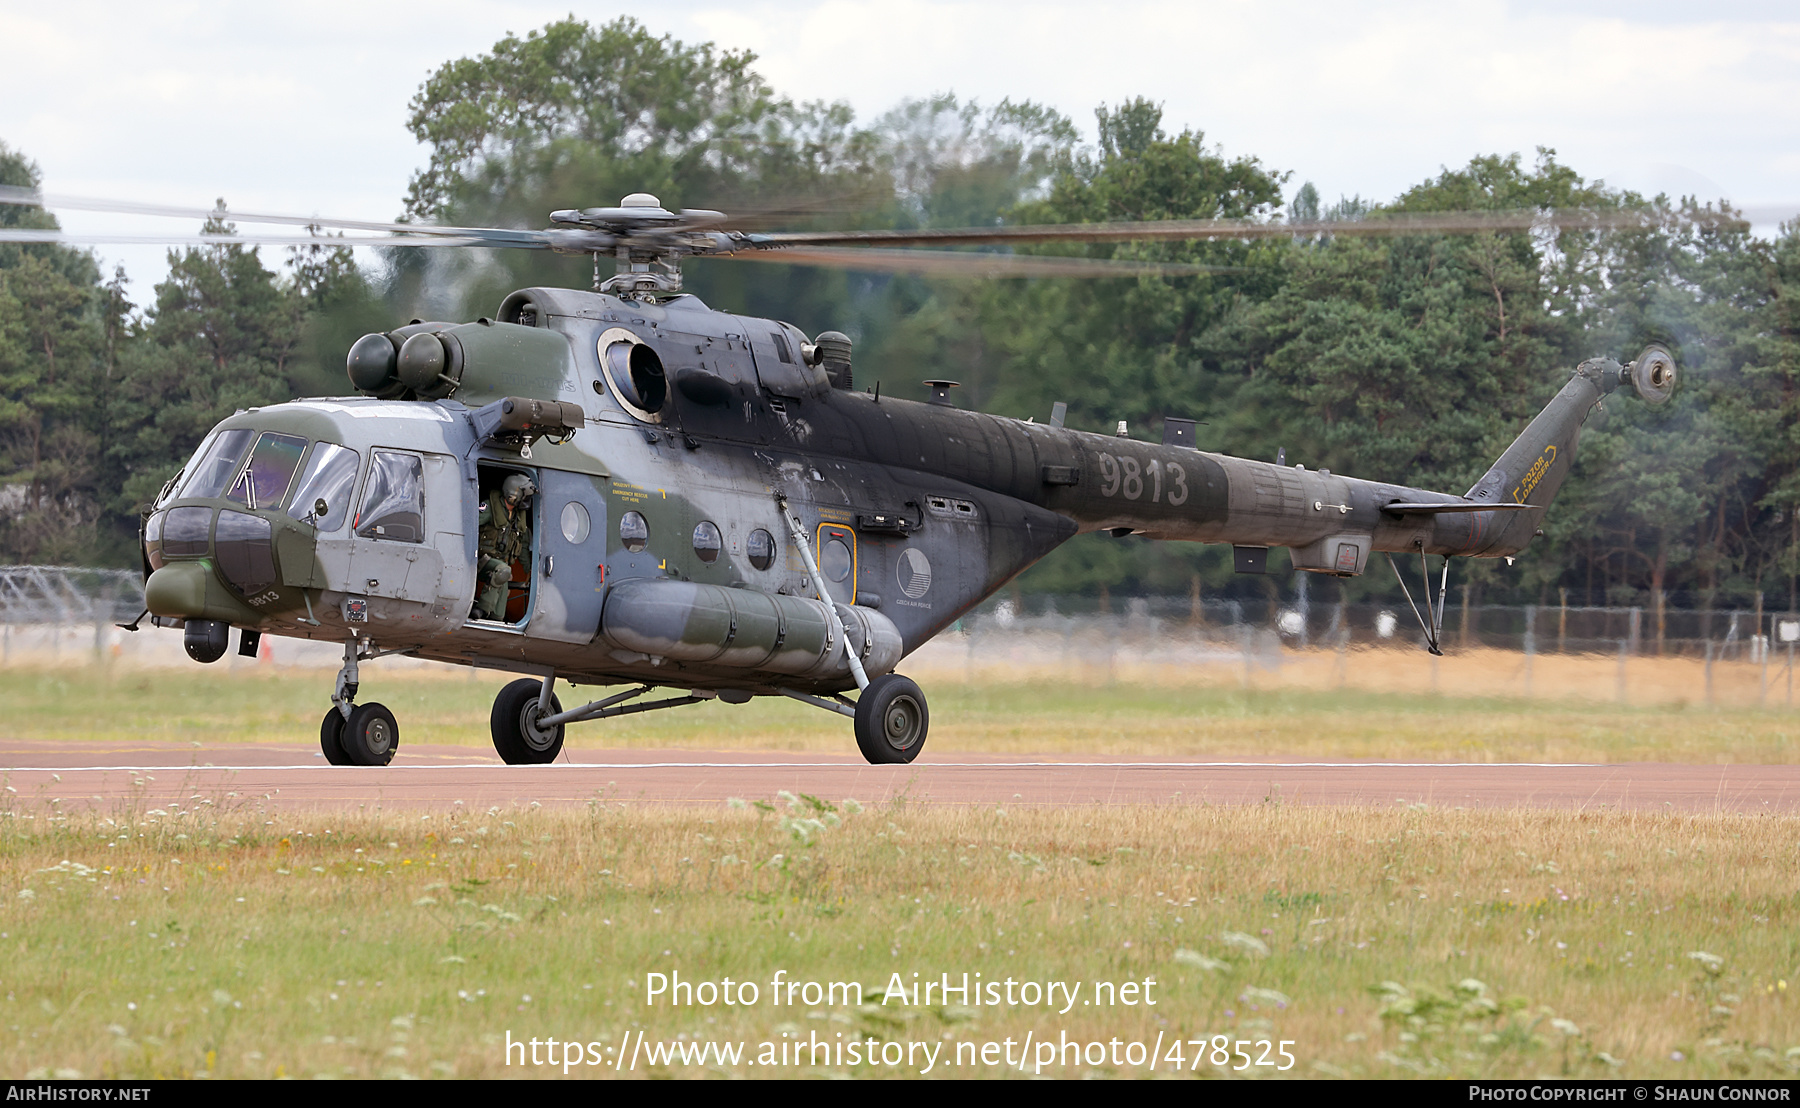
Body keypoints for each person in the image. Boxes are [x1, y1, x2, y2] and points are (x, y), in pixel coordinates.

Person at [474, 473, 535, 621]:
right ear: (513, 495)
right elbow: (470, 525)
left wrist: (529, 570)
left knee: (499, 616)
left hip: (501, 569)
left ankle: (492, 620)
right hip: (481, 560)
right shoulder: (489, 508)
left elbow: (523, 545)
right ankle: (481, 609)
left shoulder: (517, 517)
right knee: (504, 570)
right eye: (524, 495)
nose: (526, 500)